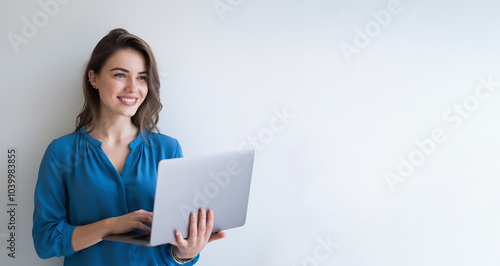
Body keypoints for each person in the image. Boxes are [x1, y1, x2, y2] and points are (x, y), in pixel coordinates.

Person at [32, 28, 225, 265]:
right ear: (93, 78)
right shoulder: (61, 152)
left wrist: (186, 253)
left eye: (142, 77)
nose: (133, 87)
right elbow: (45, 241)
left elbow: (172, 247)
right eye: (121, 75)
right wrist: (112, 225)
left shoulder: (168, 150)